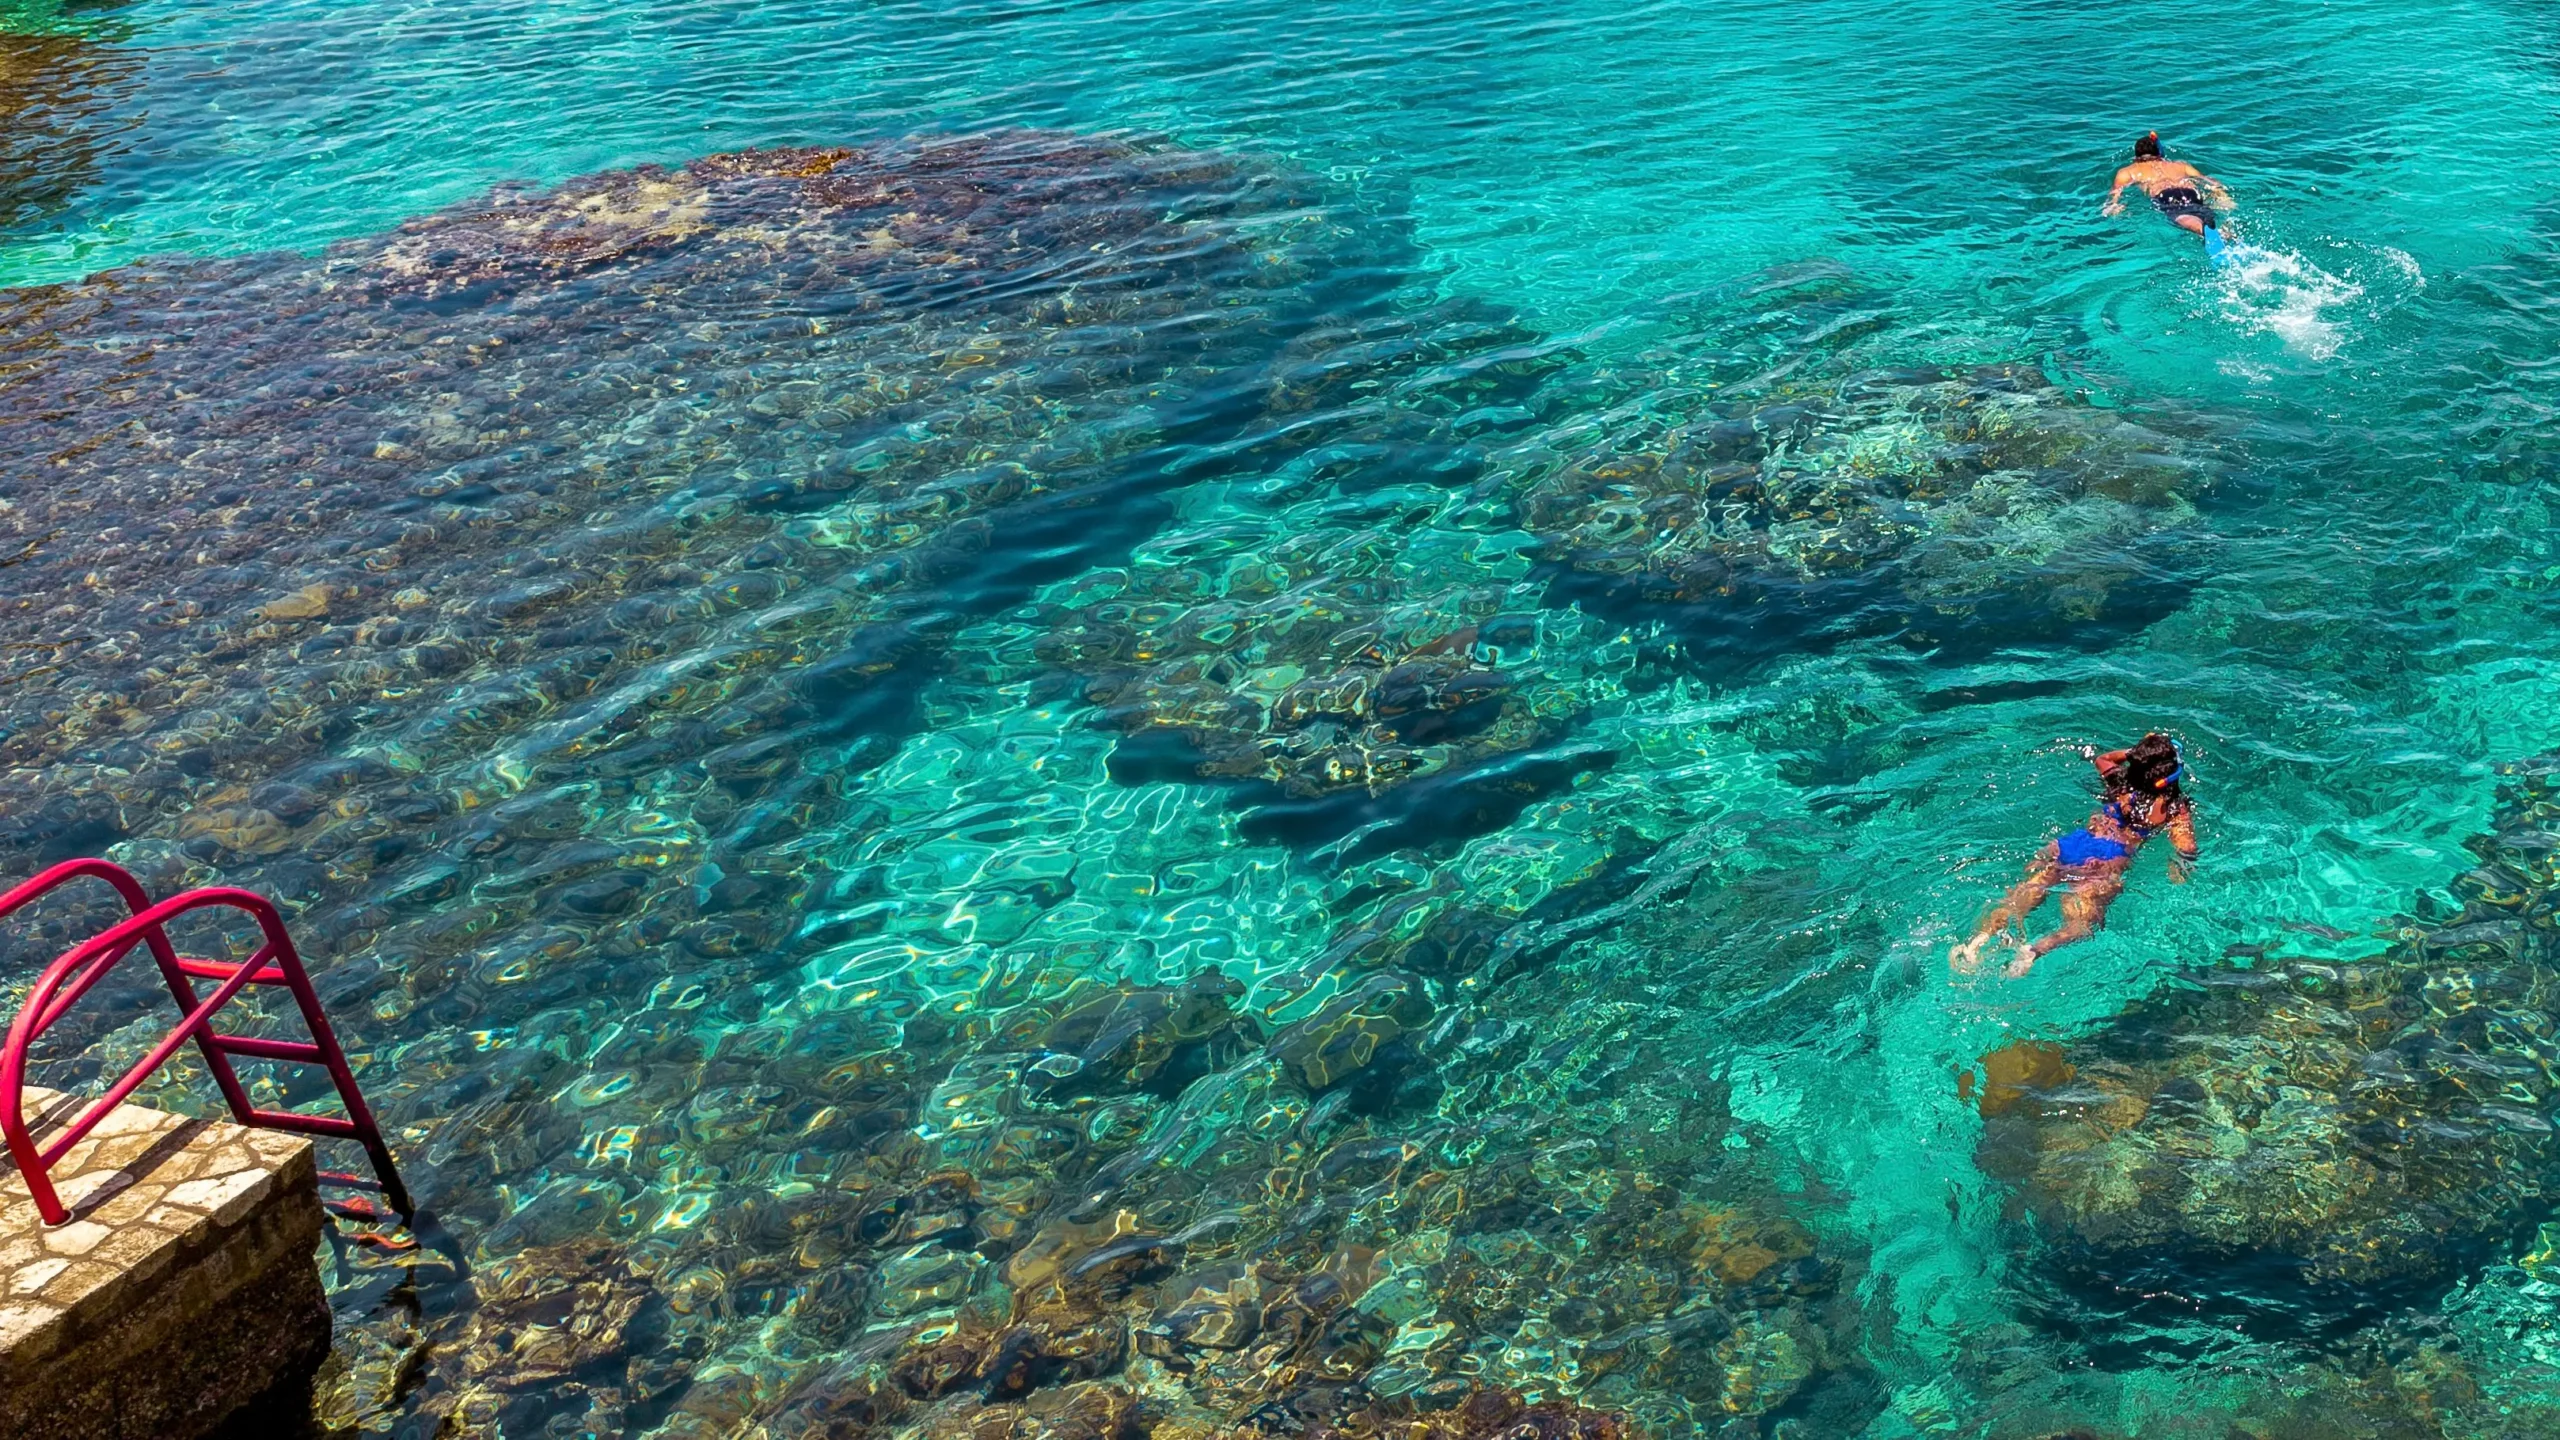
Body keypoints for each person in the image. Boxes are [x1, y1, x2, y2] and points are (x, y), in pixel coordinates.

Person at [1951, 733, 2199, 978]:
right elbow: (2185, 846)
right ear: (2169, 777)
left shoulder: (2120, 783)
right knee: (2080, 926)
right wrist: (2181, 866)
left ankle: (1979, 941)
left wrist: (2136, 754)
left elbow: (2103, 759)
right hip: (2107, 859)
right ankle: (2034, 950)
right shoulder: (2174, 808)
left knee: (2026, 893)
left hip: (2071, 845)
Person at [2103, 132, 2234, 261]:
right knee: (2203, 210)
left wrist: (2113, 206)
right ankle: (2224, 232)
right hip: (2191, 193)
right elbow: (2210, 182)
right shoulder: (2180, 165)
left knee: (2181, 216)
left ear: (2136, 156)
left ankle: (2203, 230)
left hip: (2166, 195)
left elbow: (2116, 192)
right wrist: (2221, 195)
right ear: (2158, 153)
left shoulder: (2128, 171)